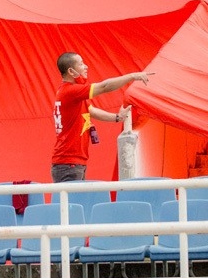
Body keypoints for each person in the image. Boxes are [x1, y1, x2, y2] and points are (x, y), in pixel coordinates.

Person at [51, 52, 153, 183]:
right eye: (81, 64)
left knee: (74, 202)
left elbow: (92, 111)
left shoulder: (70, 93)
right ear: (71, 71)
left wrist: (117, 117)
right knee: (70, 203)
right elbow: (104, 86)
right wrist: (133, 76)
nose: (86, 67)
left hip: (72, 163)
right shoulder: (71, 91)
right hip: (68, 164)